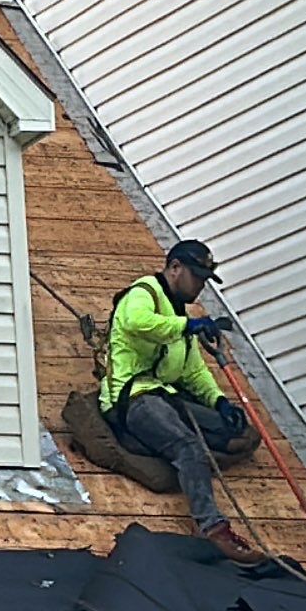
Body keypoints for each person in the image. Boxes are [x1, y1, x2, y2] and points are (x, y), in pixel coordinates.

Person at [98, 239, 263, 564]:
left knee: (243, 433)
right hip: (135, 397)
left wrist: (218, 402)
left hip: (167, 396)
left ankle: (187, 454)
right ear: (174, 268)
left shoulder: (180, 314)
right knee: (188, 446)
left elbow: (192, 371)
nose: (200, 286)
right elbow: (137, 322)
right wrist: (188, 325)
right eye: (196, 276)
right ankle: (212, 527)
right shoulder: (143, 294)